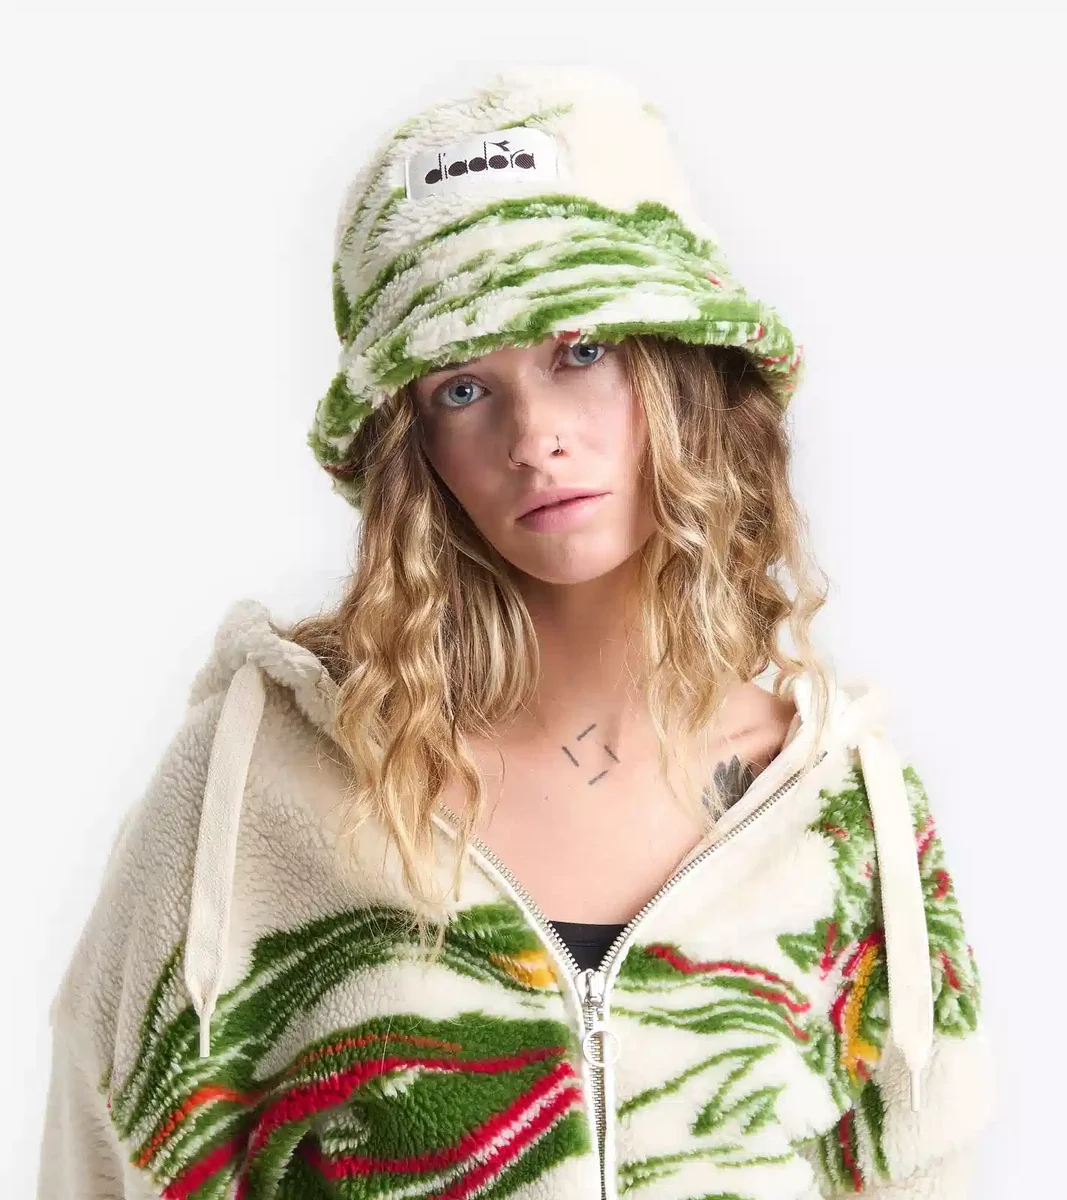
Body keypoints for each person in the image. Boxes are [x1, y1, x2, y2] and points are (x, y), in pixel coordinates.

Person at [37, 65, 994, 1199]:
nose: (533, 436)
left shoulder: (839, 817)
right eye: (460, 388)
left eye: (581, 350)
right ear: (413, 450)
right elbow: (107, 1152)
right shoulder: (257, 789)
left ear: (682, 371)